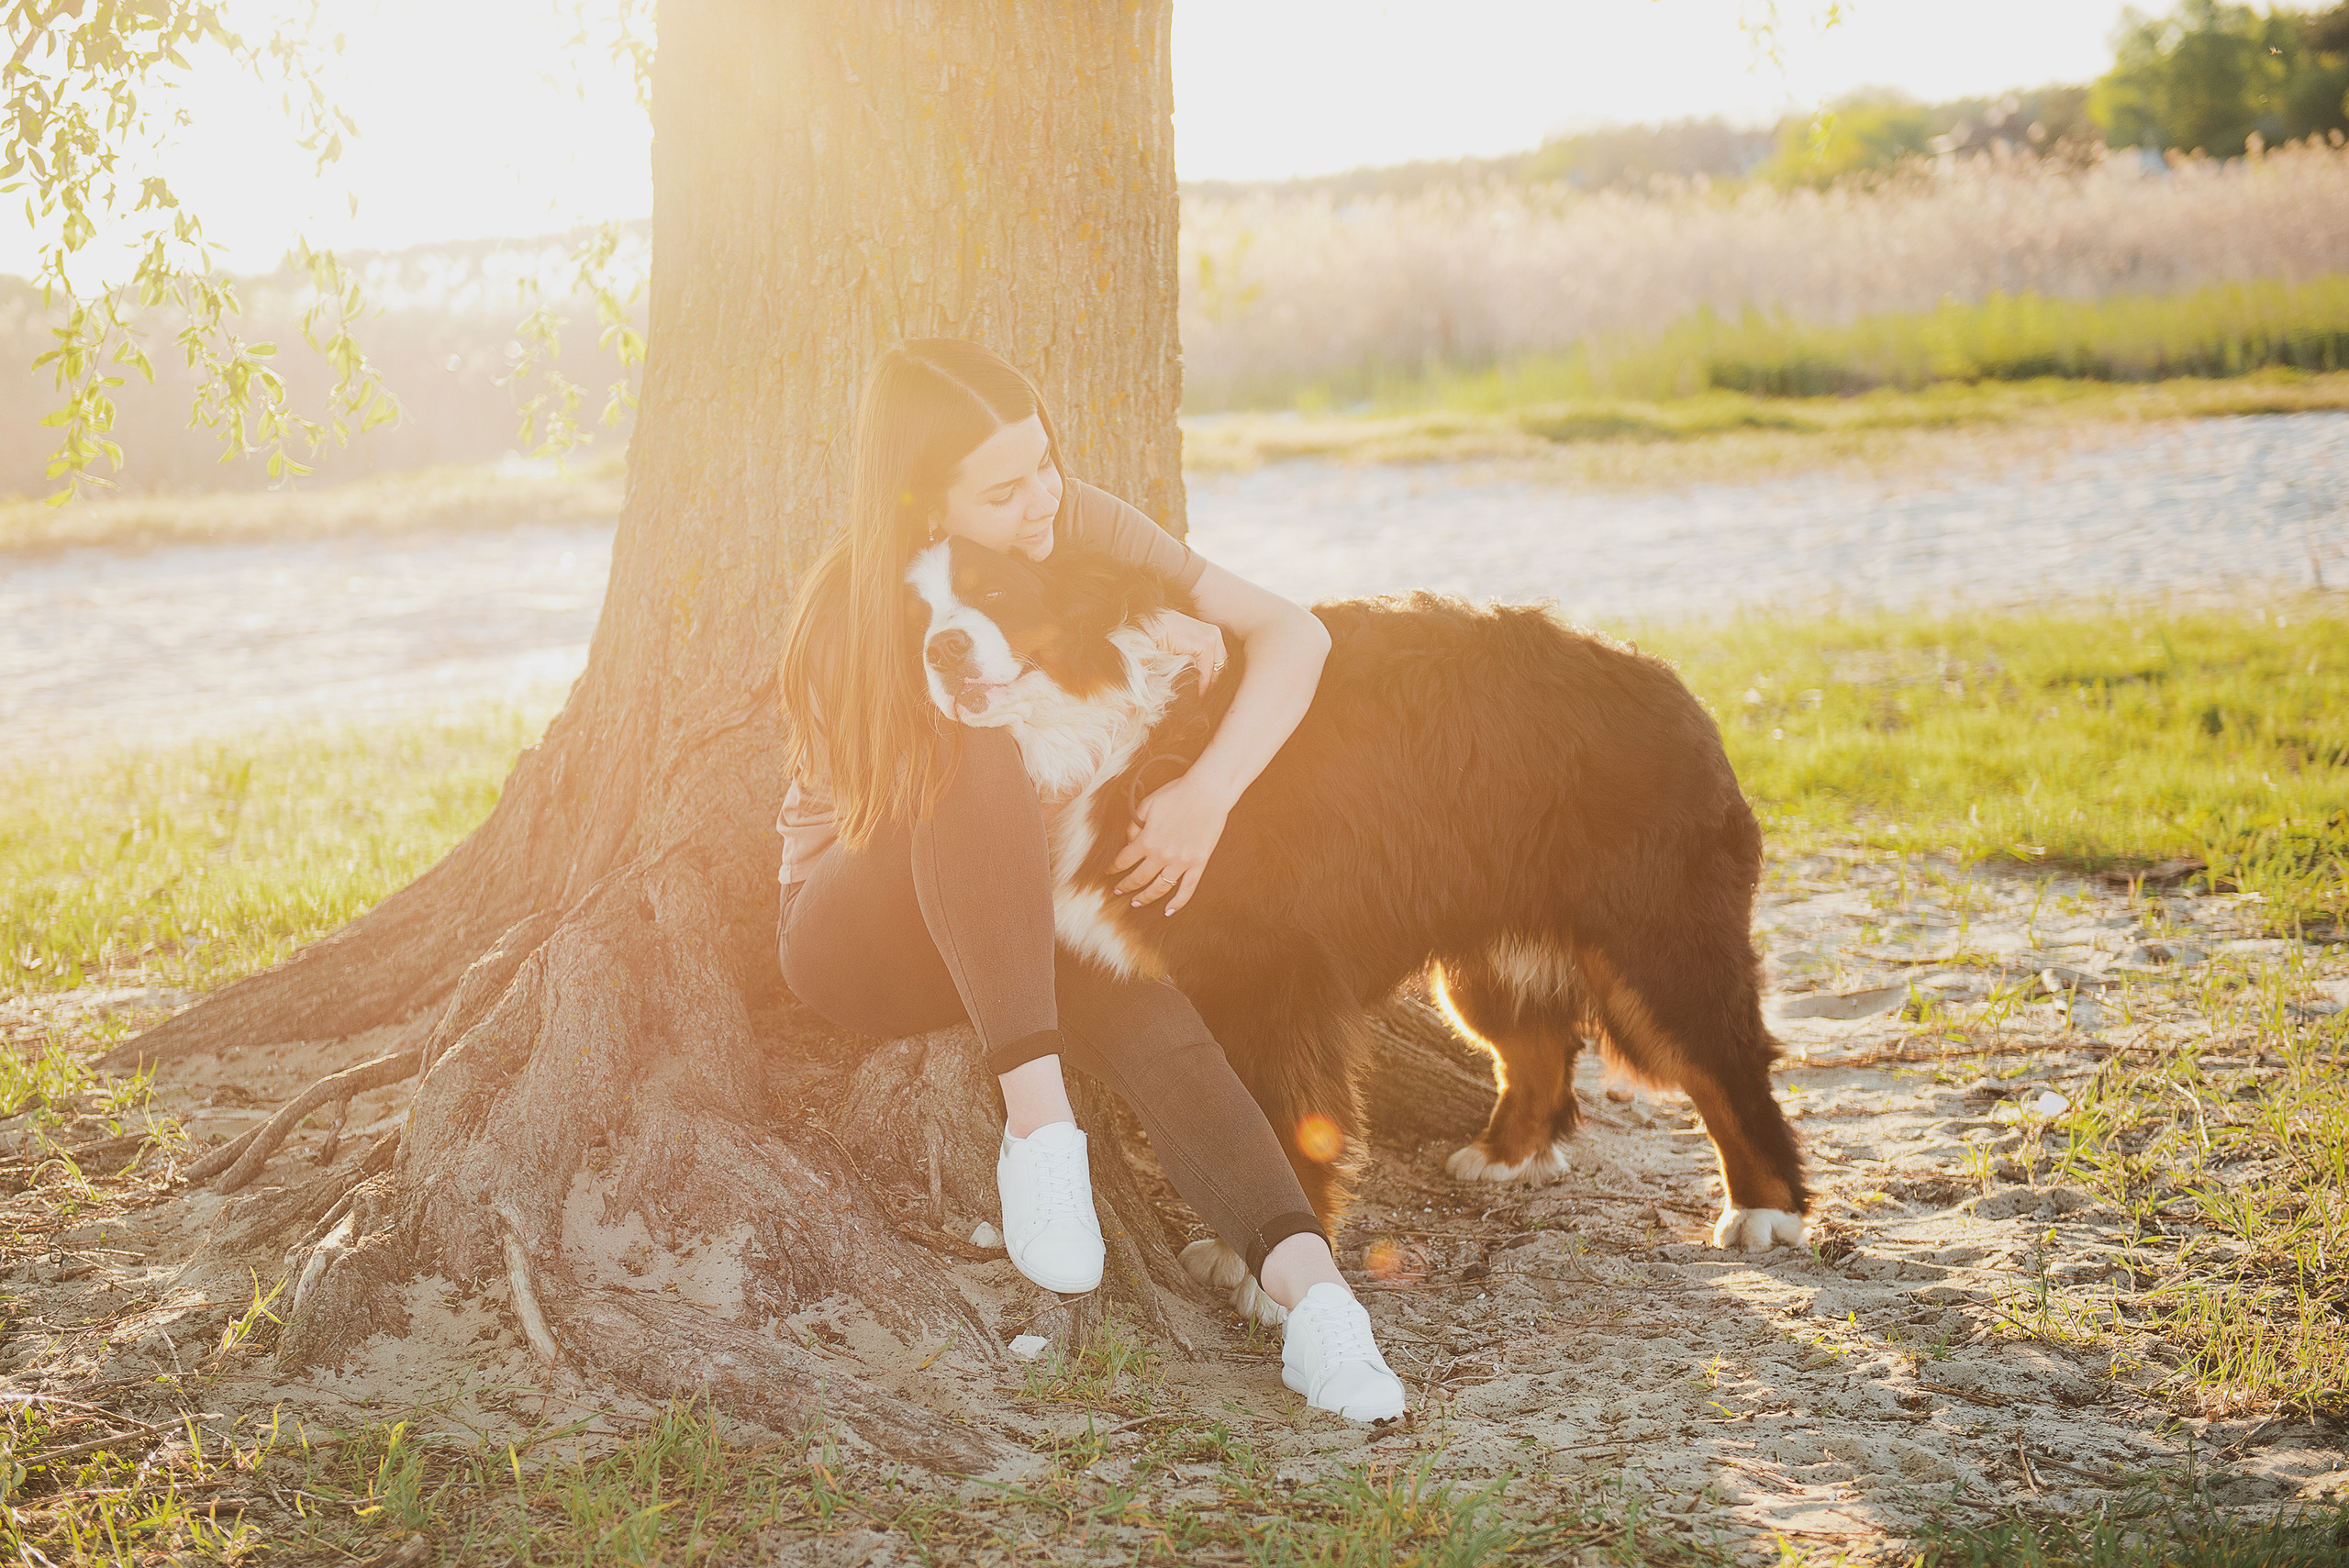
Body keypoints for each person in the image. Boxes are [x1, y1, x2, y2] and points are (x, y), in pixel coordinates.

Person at [774, 339, 1406, 1422]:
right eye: (1006, 487)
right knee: (970, 755)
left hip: (1025, 918)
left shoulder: (1073, 527)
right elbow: (930, 805)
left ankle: (1321, 1307)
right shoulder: (853, 601)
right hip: (859, 925)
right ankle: (1042, 1134)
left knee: (1153, 1018)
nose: (1044, 501)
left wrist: (1204, 790)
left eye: (1046, 462)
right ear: (928, 503)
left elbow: (1290, 633)